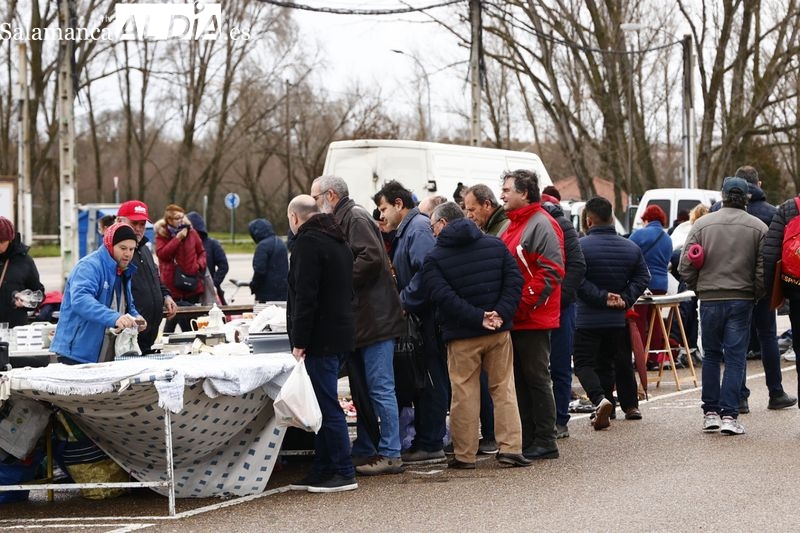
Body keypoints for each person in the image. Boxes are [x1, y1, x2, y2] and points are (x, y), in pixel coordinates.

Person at [422, 202, 531, 469]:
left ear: (443, 224)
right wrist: (500, 313)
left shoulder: (435, 257)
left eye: (432, 226)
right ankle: (511, 448)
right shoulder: (495, 245)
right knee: (504, 388)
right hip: (498, 332)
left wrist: (477, 317)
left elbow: (443, 297)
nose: (432, 232)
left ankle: (465, 454)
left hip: (461, 335)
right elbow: (514, 281)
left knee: (464, 393)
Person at [311, 175, 405, 476]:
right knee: (363, 390)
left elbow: (372, 258)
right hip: (365, 320)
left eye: (315, 198)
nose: (314, 204)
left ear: (330, 195)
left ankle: (391, 453)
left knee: (380, 388)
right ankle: (367, 446)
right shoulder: (346, 217)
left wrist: (337, 280)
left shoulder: (354, 216)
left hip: (376, 321)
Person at [679, 177, 767, 435]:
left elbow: (685, 265)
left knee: (711, 355)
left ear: (723, 196)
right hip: (741, 297)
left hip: (709, 297)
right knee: (735, 357)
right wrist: (755, 293)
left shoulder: (702, 225)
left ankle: (711, 413)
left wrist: (699, 287)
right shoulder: (758, 227)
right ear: (747, 198)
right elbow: (763, 270)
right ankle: (730, 414)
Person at [285, 195, 357, 493]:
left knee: (326, 406)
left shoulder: (307, 243)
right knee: (321, 403)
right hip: (340, 332)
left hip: (320, 337)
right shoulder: (337, 239)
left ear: (295, 217)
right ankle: (324, 467)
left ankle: (342, 470)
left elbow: (306, 296)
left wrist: (299, 340)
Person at [710, 166, 796, 412]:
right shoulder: (772, 212)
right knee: (768, 336)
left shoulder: (717, 211)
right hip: (764, 284)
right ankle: (776, 392)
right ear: (758, 184)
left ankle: (740, 396)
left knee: (737, 340)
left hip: (731, 284)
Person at [374, 180, 448, 465]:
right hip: (420, 316)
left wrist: (403, 301)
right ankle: (425, 440)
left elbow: (427, 270)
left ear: (398, 204)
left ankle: (430, 442)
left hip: (425, 319)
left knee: (429, 379)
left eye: (384, 209)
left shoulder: (416, 229)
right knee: (423, 379)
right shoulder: (409, 229)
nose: (382, 216)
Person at [498, 169, 564, 459]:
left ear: (524, 193)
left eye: (507, 190)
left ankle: (546, 439)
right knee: (520, 379)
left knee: (536, 378)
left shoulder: (542, 224)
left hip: (533, 317)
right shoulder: (511, 225)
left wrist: (521, 304)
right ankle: (527, 437)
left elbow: (552, 271)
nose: (502, 195)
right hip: (517, 316)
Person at [573, 197, 650, 430]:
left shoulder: (580, 247)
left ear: (588, 220)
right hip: (617, 319)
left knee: (584, 363)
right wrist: (625, 297)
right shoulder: (630, 247)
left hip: (588, 317)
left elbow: (577, 280)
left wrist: (601, 297)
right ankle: (620, 404)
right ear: (612, 217)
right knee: (613, 361)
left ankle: (601, 399)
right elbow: (643, 277)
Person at [50, 223, 147, 365]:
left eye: (132, 249)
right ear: (110, 245)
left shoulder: (124, 270)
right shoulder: (89, 266)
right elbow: (81, 300)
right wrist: (115, 318)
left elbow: (127, 304)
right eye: (123, 248)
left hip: (105, 352)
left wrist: (135, 317)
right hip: (76, 352)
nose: (128, 254)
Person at [462, 183, 510, 453]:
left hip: (494, 322)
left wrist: (498, 312)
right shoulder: (494, 231)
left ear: (487, 205)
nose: (469, 215)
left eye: (472, 209)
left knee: (497, 387)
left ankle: (484, 444)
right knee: (500, 387)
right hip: (495, 319)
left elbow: (510, 279)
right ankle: (508, 444)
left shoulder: (500, 232)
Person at [540, 190, 586, 439]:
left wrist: (561, 298)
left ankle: (559, 419)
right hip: (546, 305)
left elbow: (577, 265)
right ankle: (551, 419)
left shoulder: (561, 226)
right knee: (546, 367)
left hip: (560, 306)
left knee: (558, 365)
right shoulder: (558, 225)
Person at [116, 200, 178, 353]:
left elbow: (155, 278)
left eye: (142, 224)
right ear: (119, 221)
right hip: (127, 337)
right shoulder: (116, 253)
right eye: (134, 223)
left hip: (149, 335)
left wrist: (166, 296)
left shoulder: (144, 249)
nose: (138, 229)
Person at [629, 205, 674, 368]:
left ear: (647, 219)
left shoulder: (639, 234)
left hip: (643, 284)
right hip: (661, 284)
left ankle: (641, 358)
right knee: (655, 321)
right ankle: (654, 358)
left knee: (639, 320)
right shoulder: (667, 238)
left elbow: (628, 252)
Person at [155, 204, 207, 333]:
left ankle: (183, 338)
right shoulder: (162, 234)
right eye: (177, 218)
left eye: (182, 217)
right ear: (169, 220)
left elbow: (202, 252)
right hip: (173, 285)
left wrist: (198, 265)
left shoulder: (192, 232)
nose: (181, 221)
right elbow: (162, 254)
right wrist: (178, 239)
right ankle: (180, 338)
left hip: (191, 283)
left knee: (187, 319)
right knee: (175, 316)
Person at [0, 217, 45, 327]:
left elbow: (39, 293)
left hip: (14, 328)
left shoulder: (24, 261)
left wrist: (25, 301)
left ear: (10, 239)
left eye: (1, 242)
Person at [187, 212, 230, 305]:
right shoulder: (183, 244)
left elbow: (223, 266)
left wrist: (213, 283)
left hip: (208, 289)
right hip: (189, 290)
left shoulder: (212, 244)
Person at [248, 218, 289, 303]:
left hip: (266, 293)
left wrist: (254, 286)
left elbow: (259, 270)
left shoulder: (262, 246)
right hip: (283, 291)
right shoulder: (281, 242)